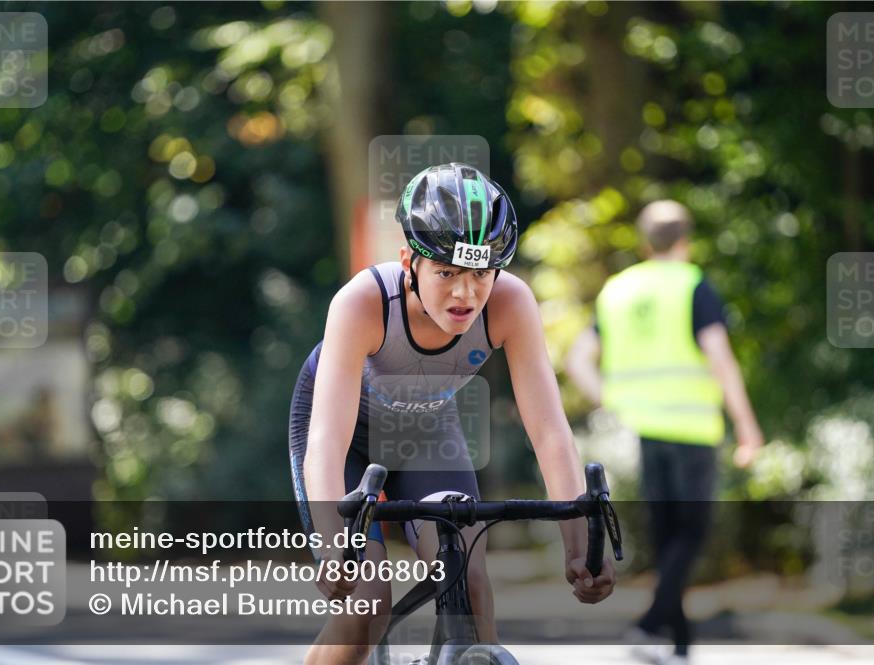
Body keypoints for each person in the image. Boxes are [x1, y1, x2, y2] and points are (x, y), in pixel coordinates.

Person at [289, 163, 616, 665]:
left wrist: (578, 550)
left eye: (482, 273)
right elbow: (327, 441)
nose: (466, 294)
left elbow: (550, 433)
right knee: (368, 601)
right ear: (408, 262)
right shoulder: (362, 302)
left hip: (425, 430)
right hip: (345, 439)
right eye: (446, 273)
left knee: (471, 581)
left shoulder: (511, 304)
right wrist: (337, 548)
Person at [565, 199, 764, 665]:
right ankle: (650, 623)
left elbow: (577, 360)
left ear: (643, 241)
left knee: (667, 533)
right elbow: (720, 357)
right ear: (685, 240)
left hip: (644, 428)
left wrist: (612, 399)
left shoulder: (618, 290)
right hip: (692, 428)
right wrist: (748, 426)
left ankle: (677, 644)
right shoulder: (693, 284)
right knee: (691, 533)